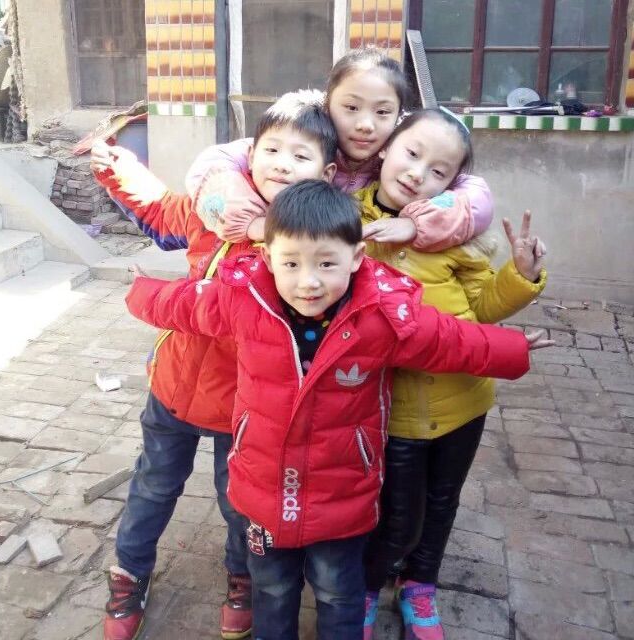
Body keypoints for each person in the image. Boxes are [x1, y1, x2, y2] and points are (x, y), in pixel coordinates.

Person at [125, 180, 550, 640]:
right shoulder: (242, 298)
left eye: (327, 263)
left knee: (337, 594)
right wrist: (140, 291)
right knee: (271, 591)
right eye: (291, 263)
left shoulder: (383, 315)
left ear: (357, 258)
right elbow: (184, 304)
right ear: (267, 257)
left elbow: (447, 340)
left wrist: (510, 348)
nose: (308, 281)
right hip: (262, 490)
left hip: (343, 496)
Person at [90, 90, 337, 640]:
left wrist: (266, 236)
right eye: (272, 150)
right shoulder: (218, 207)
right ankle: (129, 574)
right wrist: (119, 168)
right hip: (174, 385)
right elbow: (163, 209)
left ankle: (241, 579)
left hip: (244, 405)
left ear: (326, 172)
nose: (282, 165)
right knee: (153, 486)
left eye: (301, 156)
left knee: (237, 501)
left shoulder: (309, 248)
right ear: (251, 153)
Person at [357, 108, 548, 640]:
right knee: (394, 515)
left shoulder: (457, 237)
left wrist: (520, 275)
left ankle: (420, 586)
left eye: (438, 171)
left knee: (442, 502)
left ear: (453, 184)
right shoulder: (350, 222)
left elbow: (482, 307)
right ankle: (366, 588)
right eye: (411, 153)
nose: (418, 173)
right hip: (390, 409)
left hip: (464, 401)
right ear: (385, 148)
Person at [186, 48, 493, 252]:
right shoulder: (301, 140)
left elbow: (476, 197)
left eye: (382, 112)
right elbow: (209, 166)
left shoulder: (401, 155)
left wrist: (416, 224)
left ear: (398, 116)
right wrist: (253, 222)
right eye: (351, 107)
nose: (366, 125)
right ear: (327, 103)